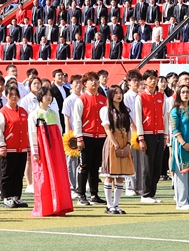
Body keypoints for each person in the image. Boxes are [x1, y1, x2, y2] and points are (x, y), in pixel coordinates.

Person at [28, 87, 73, 217]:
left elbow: (59, 129)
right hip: (42, 148)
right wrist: (35, 151)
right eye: (45, 95)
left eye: (50, 95)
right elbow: (32, 134)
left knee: (57, 174)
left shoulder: (54, 113)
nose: (48, 97)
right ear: (40, 97)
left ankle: (59, 205)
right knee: (43, 175)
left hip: (55, 148)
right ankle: (45, 206)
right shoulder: (34, 115)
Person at [72, 73, 107, 205]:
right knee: (84, 166)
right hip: (86, 136)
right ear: (85, 83)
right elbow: (77, 120)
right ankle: (81, 194)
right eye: (91, 80)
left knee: (95, 167)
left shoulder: (103, 99)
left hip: (100, 137)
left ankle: (94, 194)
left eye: (96, 80)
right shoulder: (81, 99)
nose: (94, 83)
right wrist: (79, 138)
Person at [100, 84, 135, 214]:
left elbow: (128, 129)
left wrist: (128, 144)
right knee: (110, 174)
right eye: (115, 93)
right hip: (112, 142)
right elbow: (108, 129)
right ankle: (109, 205)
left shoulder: (125, 111)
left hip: (124, 140)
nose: (119, 95)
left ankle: (116, 204)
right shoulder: (106, 110)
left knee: (121, 175)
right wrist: (115, 144)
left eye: (120, 93)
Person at [0, 83, 30, 209]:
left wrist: (29, 145)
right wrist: (1, 145)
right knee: (6, 173)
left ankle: (16, 196)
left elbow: (27, 129)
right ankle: (6, 197)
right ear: (6, 96)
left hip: (22, 147)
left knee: (19, 173)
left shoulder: (23, 112)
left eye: (16, 95)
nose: (14, 97)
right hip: (9, 147)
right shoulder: (2, 112)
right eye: (11, 95)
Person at [168, 84, 189, 211]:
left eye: (187, 92)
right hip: (180, 145)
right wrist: (184, 143)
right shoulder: (175, 111)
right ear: (178, 94)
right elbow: (175, 129)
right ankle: (181, 202)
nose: (185, 94)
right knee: (181, 173)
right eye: (182, 92)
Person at [132, 72, 165, 205]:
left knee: (157, 165)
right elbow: (138, 119)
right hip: (147, 134)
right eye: (150, 79)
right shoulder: (141, 97)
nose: (153, 81)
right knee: (148, 165)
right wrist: (141, 138)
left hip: (159, 134)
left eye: (155, 79)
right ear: (145, 81)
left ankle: (152, 193)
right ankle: (145, 194)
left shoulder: (161, 96)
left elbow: (164, 116)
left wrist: (165, 136)